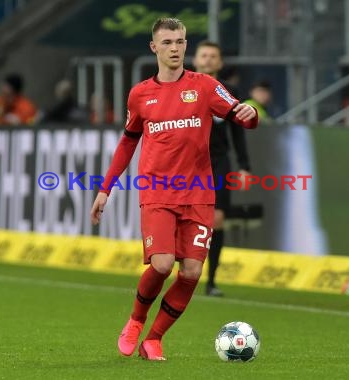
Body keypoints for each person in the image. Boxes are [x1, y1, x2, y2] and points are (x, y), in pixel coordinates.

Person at [90, 18, 258, 361]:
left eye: (180, 42)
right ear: (154, 47)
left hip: (198, 192)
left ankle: (154, 339)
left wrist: (251, 112)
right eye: (167, 42)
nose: (175, 49)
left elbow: (244, 117)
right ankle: (136, 321)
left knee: (193, 271)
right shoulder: (140, 94)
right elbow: (127, 142)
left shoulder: (206, 86)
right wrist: (106, 187)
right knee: (163, 264)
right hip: (157, 191)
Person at [192, 40, 252, 297]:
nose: (207, 60)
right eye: (203, 55)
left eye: (212, 56)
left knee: (217, 219)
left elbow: (237, 131)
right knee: (186, 220)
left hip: (218, 162)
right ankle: (187, 275)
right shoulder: (183, 88)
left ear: (220, 63)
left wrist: (244, 166)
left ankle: (211, 281)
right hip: (187, 163)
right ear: (195, 60)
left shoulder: (229, 92)